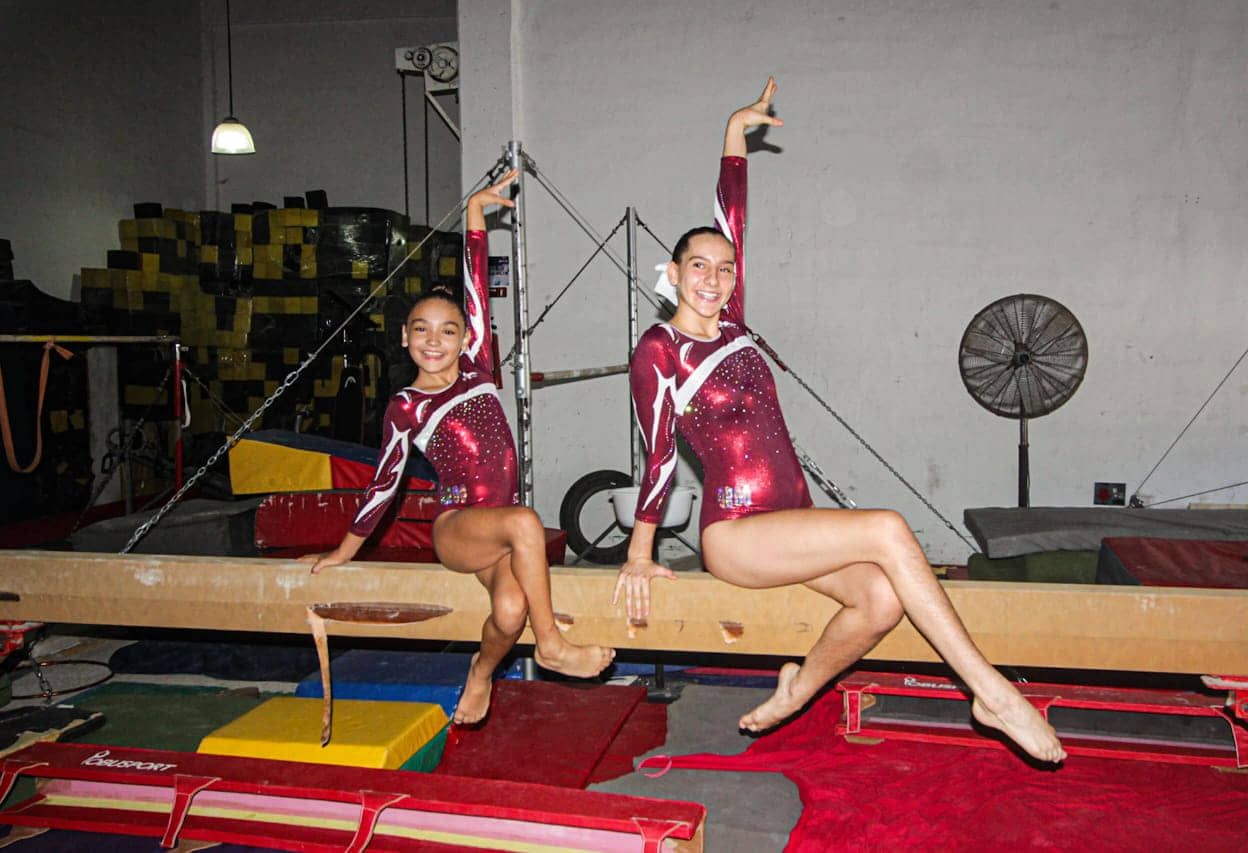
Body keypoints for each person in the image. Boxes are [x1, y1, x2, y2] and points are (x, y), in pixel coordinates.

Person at [614, 78, 1065, 763]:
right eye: (698, 266)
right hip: (736, 533)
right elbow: (658, 455)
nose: (713, 277)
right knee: (886, 528)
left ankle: (797, 689)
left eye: (725, 268)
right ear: (673, 274)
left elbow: (733, 212)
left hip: (790, 518)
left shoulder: (734, 324)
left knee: (881, 599)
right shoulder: (660, 348)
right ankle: (991, 691)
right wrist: (639, 554)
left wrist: (736, 133)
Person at [305, 170, 615, 724]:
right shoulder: (407, 406)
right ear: (404, 337)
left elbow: (475, 283)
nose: (434, 340)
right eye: (421, 329)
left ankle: (480, 672)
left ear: (466, 338)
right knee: (525, 521)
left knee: (510, 610)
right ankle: (552, 645)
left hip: (497, 533)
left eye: (448, 330)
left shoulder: (478, 370)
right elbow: (384, 485)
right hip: (456, 528)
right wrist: (341, 553)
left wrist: (476, 214)